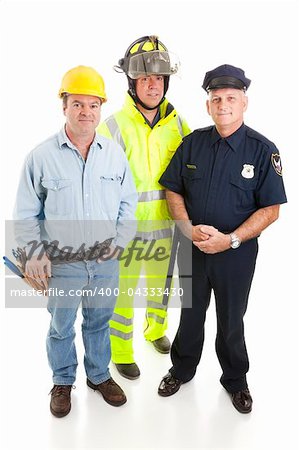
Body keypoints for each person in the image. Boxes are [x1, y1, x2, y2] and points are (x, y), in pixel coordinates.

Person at [157, 64, 287, 413]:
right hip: (193, 248)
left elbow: (271, 210)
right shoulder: (192, 144)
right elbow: (172, 190)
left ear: (244, 103)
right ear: (208, 106)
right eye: (216, 99)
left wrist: (229, 239)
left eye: (231, 98)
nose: (223, 104)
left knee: (231, 319)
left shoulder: (263, 150)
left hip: (236, 254)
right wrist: (186, 228)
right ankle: (181, 370)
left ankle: (235, 380)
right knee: (190, 314)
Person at [13, 66, 138, 417]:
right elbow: (25, 214)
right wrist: (33, 254)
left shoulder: (113, 154)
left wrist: (120, 242)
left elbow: (129, 204)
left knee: (100, 321)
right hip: (62, 262)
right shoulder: (40, 156)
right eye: (78, 104)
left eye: (93, 105)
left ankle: (98, 375)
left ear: (101, 108)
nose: (86, 112)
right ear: (64, 106)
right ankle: (63, 380)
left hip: (105, 261)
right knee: (61, 326)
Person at [97, 35, 191, 380]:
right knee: (121, 297)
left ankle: (154, 331)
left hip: (166, 228)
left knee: (161, 288)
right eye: (145, 78)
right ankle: (120, 351)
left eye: (159, 78)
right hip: (124, 233)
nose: (153, 85)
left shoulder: (179, 126)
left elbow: (192, 175)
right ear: (132, 82)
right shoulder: (112, 127)